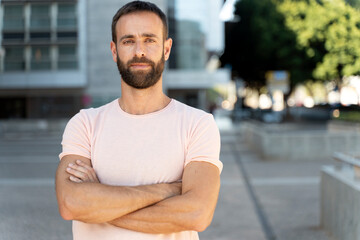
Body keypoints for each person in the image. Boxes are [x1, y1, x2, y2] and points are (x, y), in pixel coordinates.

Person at [55, 1, 222, 239]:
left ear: (166, 49)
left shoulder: (197, 125)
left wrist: (98, 203)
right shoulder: (85, 124)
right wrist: (168, 191)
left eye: (149, 40)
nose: (139, 51)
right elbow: (70, 203)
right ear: (114, 50)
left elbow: (196, 214)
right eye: (128, 41)